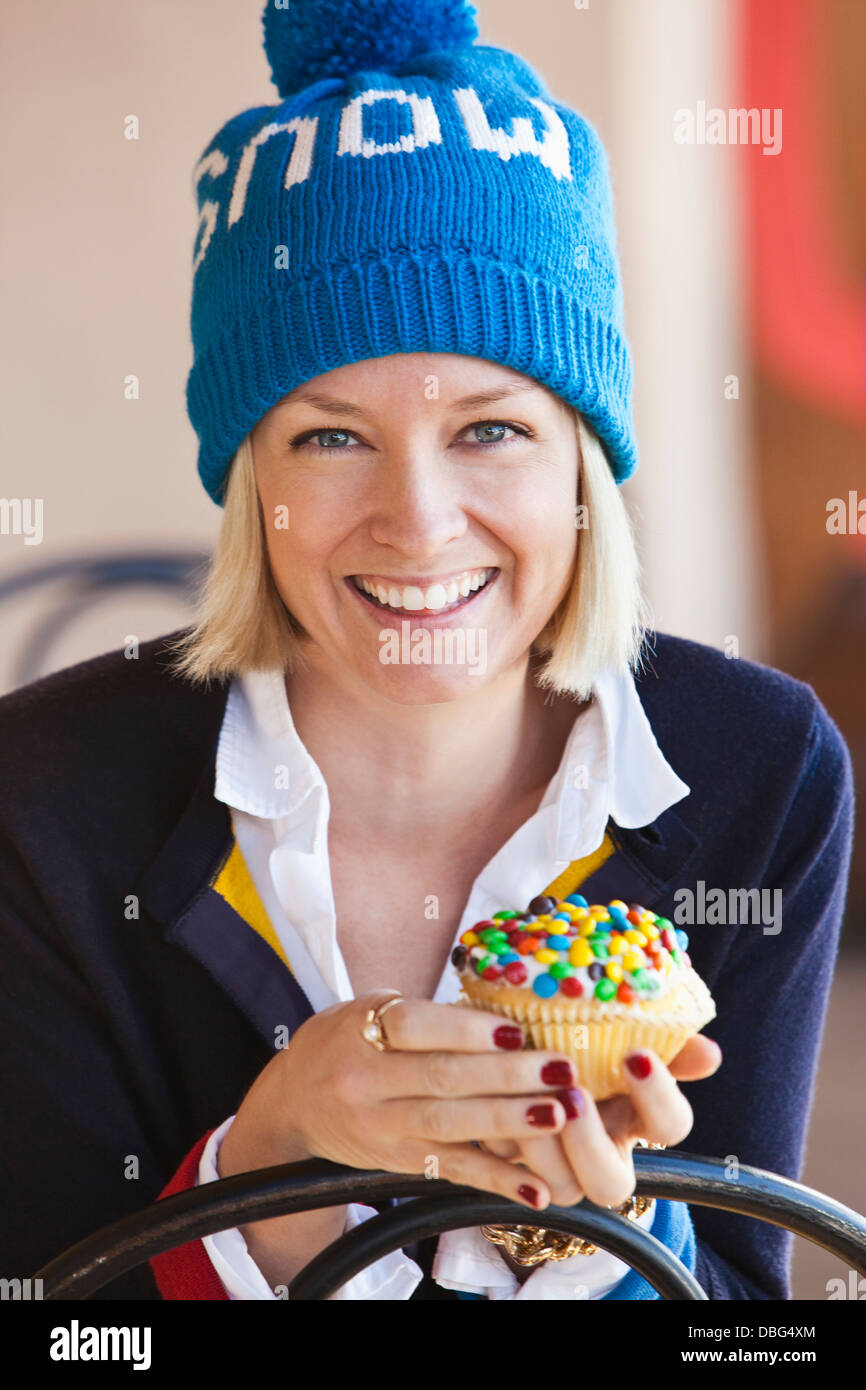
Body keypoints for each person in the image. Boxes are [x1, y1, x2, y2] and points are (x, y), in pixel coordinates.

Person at [0, 0, 853, 1302]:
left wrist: (588, 1243)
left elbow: (744, 1318)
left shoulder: (760, 769)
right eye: (330, 435)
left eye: (490, 429)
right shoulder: (46, 800)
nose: (415, 521)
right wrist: (260, 1175)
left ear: (581, 455)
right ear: (250, 481)